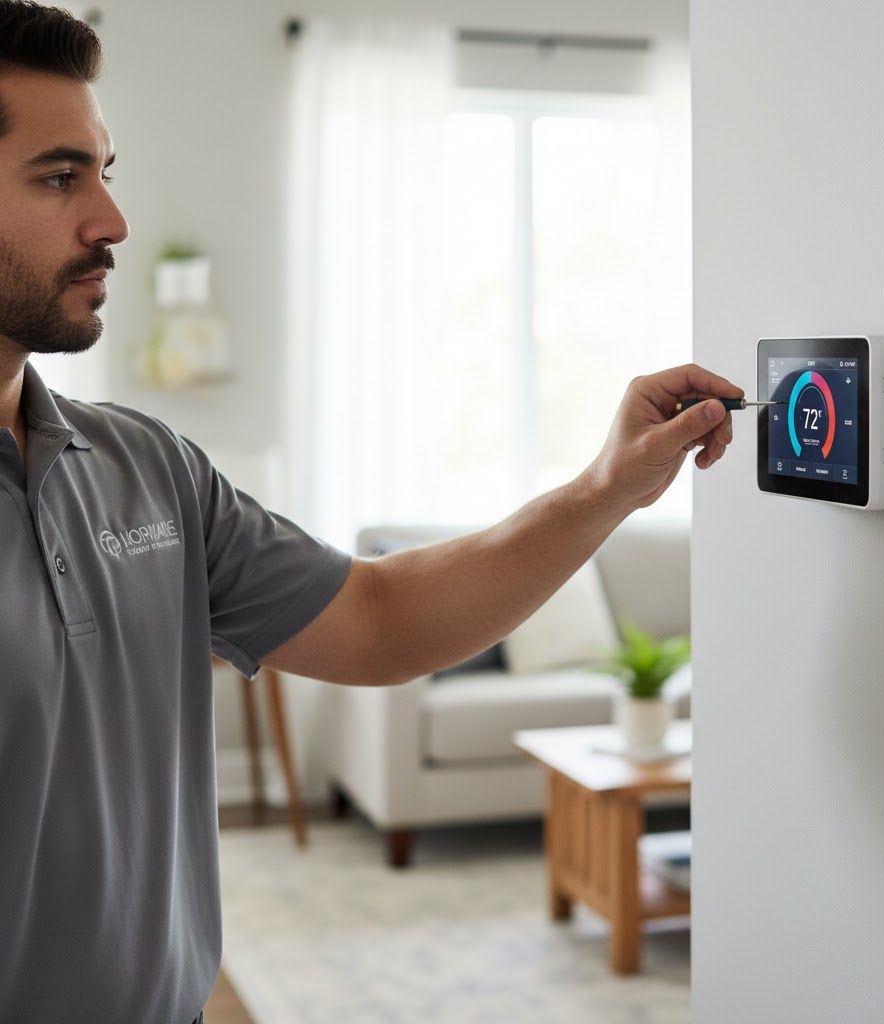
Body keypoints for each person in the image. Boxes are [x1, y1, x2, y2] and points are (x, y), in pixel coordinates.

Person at [0, 2, 742, 1022]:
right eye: (58, 177)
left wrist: (604, 487)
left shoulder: (147, 466)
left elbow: (385, 618)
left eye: (104, 172)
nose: (111, 219)